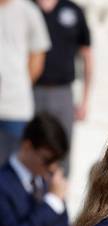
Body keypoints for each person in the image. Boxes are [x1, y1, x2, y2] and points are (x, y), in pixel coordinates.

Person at [34, 0, 93, 174]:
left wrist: (85, 100)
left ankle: (59, 196)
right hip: (30, 91)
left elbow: (87, 56)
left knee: (62, 148)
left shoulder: (73, 11)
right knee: (30, 147)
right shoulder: (26, 8)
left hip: (63, 92)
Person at [0, 0, 51, 163]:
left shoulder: (28, 11)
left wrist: (17, 86)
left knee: (12, 168)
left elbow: (38, 56)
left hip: (15, 108)